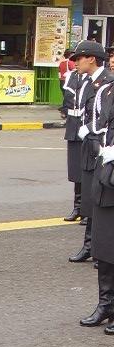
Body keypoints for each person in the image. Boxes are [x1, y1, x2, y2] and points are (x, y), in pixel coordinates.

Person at [69, 41, 113, 268]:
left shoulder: (106, 81)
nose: (75, 62)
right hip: (88, 144)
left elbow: (104, 116)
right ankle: (91, 245)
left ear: (92, 59)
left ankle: (95, 247)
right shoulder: (87, 80)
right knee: (90, 196)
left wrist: (92, 129)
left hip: (102, 146)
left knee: (99, 197)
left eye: (79, 58)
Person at [80, 64, 114, 331]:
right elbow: (98, 125)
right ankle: (106, 304)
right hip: (108, 175)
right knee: (104, 244)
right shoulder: (107, 90)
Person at [62, 67, 88, 222]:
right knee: (75, 170)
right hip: (73, 127)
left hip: (87, 126)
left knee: (87, 170)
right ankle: (77, 207)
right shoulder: (72, 76)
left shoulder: (92, 78)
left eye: (79, 59)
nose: (76, 63)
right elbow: (66, 101)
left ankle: (86, 209)